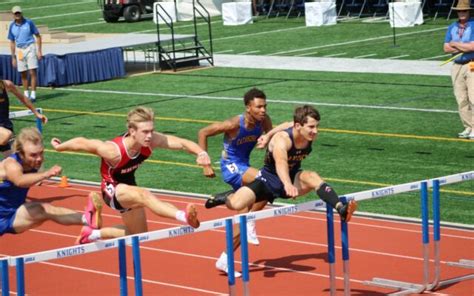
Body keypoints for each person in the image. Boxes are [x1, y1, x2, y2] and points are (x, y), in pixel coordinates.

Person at [205, 105, 357, 276]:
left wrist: (267, 134)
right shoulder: (282, 140)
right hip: (268, 181)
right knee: (236, 204)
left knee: (312, 176)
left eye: (317, 127)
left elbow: (286, 123)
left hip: (292, 178)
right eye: (312, 127)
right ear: (298, 126)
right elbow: (281, 163)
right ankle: (225, 196)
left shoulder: (302, 132)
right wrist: (287, 184)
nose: (315, 131)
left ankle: (340, 208)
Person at [51, 106, 212, 244]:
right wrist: (59, 147)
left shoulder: (151, 141)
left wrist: (201, 152)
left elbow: (183, 143)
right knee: (144, 194)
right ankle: (183, 216)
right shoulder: (113, 151)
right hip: (112, 189)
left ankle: (92, 234)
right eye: (145, 132)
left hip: (129, 187)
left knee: (139, 236)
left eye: (151, 131)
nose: (149, 136)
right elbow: (82, 143)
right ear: (132, 131)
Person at [199, 87, 290, 247]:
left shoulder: (264, 121)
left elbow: (273, 139)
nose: (263, 110)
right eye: (259, 107)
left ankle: (225, 259)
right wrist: (205, 163)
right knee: (266, 182)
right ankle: (241, 209)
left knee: (242, 221)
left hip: (244, 166)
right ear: (248, 107)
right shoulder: (234, 124)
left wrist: (268, 142)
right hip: (231, 166)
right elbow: (203, 132)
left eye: (265, 106)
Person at [0, 127, 103, 237]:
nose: (39, 158)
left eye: (41, 153)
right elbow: (20, 181)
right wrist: (46, 174)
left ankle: (88, 219)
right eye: (33, 155)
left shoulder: (32, 163)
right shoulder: (11, 164)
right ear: (21, 154)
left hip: (13, 213)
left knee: (44, 209)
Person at [443, 0, 474, 140]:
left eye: (464, 11)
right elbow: (445, 48)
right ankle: (468, 126)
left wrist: (455, 43)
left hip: (471, 64)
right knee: (461, 98)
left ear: (469, 11)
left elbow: (472, 47)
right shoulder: (452, 27)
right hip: (457, 66)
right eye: (460, 11)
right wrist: (463, 46)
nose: (462, 13)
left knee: (473, 98)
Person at [0, 79, 47, 158]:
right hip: (5, 132)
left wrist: (36, 113)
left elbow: (23, 98)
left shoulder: (6, 85)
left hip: (5, 124)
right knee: (7, 134)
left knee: (16, 161)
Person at [8, 5, 42, 102]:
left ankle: (33, 94)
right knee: (23, 73)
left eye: (19, 13)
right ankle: (25, 94)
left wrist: (39, 51)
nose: (17, 15)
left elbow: (38, 36)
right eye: (15, 13)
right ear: (13, 15)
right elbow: (12, 41)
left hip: (30, 47)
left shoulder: (29, 22)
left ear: (21, 13)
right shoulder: (12, 26)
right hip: (19, 50)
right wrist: (13, 57)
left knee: (32, 71)